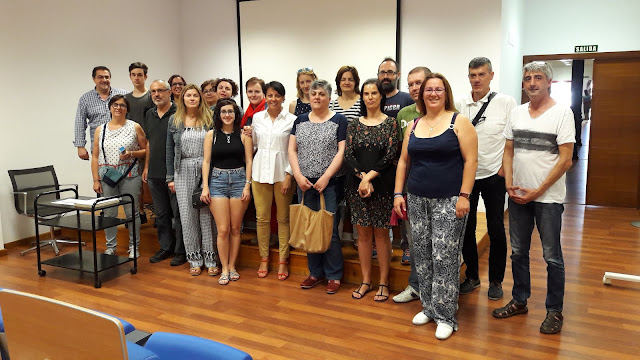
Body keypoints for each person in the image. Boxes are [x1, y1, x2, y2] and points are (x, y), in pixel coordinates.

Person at [393, 73, 478, 340]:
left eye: (438, 89)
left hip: (449, 200)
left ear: (446, 93)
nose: (432, 93)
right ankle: (429, 307)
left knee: (445, 257)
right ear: (421, 95)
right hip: (416, 199)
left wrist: (464, 195)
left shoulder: (458, 122)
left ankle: (446, 316)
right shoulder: (414, 125)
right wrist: (398, 193)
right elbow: (404, 162)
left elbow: (471, 161)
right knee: (423, 256)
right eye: (428, 89)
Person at [493, 61, 575, 335]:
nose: (532, 83)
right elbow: (508, 151)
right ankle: (519, 300)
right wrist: (509, 184)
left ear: (549, 82)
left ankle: (554, 310)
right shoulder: (516, 113)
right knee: (518, 252)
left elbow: (565, 160)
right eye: (527, 78)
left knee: (552, 256)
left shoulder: (563, 113)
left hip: (548, 198)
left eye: (538, 78)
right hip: (517, 196)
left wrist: (537, 191)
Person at [457, 57, 517, 301]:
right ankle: (472, 276)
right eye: (472, 75)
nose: (477, 79)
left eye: (481, 74)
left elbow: (512, 140)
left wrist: (505, 169)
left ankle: (496, 281)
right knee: (467, 228)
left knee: (495, 229)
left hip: (494, 175)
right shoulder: (459, 103)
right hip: (466, 177)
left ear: (491, 75)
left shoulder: (506, 102)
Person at [289, 79, 347, 295]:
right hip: (304, 183)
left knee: (329, 230)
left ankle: (333, 275)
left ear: (329, 97)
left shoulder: (339, 120)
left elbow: (342, 152)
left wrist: (326, 177)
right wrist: (297, 175)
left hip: (329, 183)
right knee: (308, 227)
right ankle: (314, 273)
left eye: (321, 94)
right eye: (314, 93)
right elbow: (292, 150)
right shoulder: (300, 120)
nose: (317, 97)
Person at [345, 79, 399, 302]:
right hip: (357, 187)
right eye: (366, 93)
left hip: (383, 186)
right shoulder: (354, 125)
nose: (370, 97)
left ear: (381, 96)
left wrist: (368, 177)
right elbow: (348, 155)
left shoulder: (391, 124)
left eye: (374, 93)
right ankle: (366, 280)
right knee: (363, 235)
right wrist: (361, 178)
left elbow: (390, 155)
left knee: (382, 235)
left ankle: (384, 282)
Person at [201, 99, 253, 285]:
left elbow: (249, 161)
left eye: (230, 111)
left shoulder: (244, 135)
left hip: (240, 181)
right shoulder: (211, 135)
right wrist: (205, 186)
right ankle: (223, 267)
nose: (227, 115)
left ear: (236, 113)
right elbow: (206, 161)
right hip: (217, 181)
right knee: (222, 229)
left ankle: (232, 266)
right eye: (223, 111)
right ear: (218, 114)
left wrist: (247, 185)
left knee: (235, 228)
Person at [166, 84, 217, 277]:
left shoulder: (209, 118)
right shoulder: (175, 120)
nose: (192, 98)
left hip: (206, 169)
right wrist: (170, 178)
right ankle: (194, 259)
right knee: (187, 217)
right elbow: (169, 150)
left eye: (196, 95)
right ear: (183, 98)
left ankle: (211, 259)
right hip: (182, 170)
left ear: (201, 98)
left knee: (207, 216)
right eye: (189, 95)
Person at [249, 81, 297, 280]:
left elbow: (294, 150)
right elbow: (253, 144)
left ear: (283, 97)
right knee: (262, 218)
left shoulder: (293, 119)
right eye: (269, 95)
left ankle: (283, 260)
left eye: (277, 95)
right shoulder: (257, 118)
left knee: (283, 218)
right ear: (265, 97)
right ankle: (264, 258)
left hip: (283, 174)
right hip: (260, 173)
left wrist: (288, 175)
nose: (273, 99)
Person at [392, 65, 431, 303]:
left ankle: (436, 290)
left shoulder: (449, 113)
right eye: (411, 84)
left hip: (438, 188)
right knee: (415, 241)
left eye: (420, 82)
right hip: (410, 187)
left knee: (436, 242)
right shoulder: (404, 115)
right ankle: (415, 285)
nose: (415, 87)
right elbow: (401, 156)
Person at [91, 95, 147, 257]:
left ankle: (134, 246)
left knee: (132, 213)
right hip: (108, 176)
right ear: (110, 108)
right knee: (109, 213)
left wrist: (131, 153)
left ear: (127, 109)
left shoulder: (135, 127)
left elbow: (146, 149)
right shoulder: (100, 130)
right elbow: (95, 156)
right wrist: (96, 179)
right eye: (115, 105)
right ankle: (110, 247)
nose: (118, 108)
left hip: (130, 174)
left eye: (122, 105)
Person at [142, 80, 186, 266]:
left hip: (175, 173)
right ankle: (165, 247)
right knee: (161, 215)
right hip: (154, 173)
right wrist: (146, 167)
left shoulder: (179, 113)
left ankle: (181, 250)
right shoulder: (149, 114)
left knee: (179, 214)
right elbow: (149, 142)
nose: (157, 94)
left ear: (169, 93)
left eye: (160, 91)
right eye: (153, 91)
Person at [74, 66, 127, 160]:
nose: (104, 80)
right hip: (99, 149)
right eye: (100, 77)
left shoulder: (123, 95)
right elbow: (80, 122)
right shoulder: (85, 99)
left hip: (122, 145)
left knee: (126, 173)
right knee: (102, 174)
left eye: (107, 77)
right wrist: (80, 146)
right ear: (94, 79)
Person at [125, 62, 154, 224]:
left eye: (140, 75)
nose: (137, 78)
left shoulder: (150, 96)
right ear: (130, 76)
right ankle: (139, 212)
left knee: (148, 180)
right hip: (131, 145)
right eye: (133, 74)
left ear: (145, 77)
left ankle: (156, 212)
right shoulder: (126, 99)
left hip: (149, 144)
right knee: (134, 181)